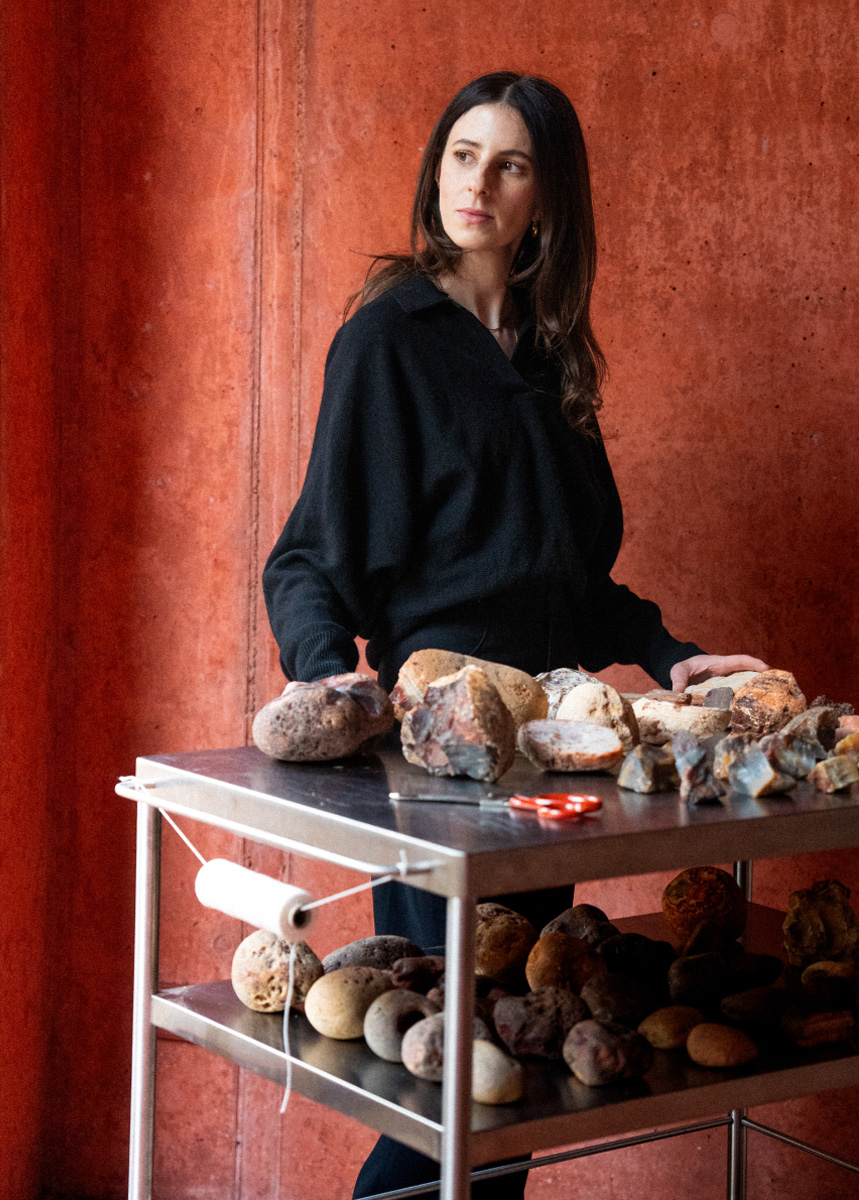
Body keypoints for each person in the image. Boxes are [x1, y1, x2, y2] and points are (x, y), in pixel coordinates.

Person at [263, 71, 766, 1199]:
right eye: (460, 155)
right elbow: (308, 556)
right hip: (435, 757)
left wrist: (668, 652)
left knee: (511, 1089)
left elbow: (568, 584)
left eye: (509, 164)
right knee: (448, 1090)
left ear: (548, 195)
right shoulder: (387, 340)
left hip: (544, 757)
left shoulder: (548, 354)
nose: (476, 184)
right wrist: (328, 680)